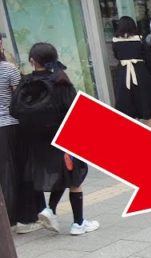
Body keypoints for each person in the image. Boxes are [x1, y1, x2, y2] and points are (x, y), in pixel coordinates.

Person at [12, 43, 98, 235]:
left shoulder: (25, 83)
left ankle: (47, 210)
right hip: (61, 137)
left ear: (32, 61)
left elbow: (14, 110)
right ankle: (78, 223)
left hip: (34, 140)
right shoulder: (60, 81)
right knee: (73, 177)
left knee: (40, 175)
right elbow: (74, 110)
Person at [112, 16, 151, 128]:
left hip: (124, 75)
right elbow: (148, 58)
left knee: (126, 106)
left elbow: (117, 56)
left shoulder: (115, 41)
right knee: (146, 105)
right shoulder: (139, 39)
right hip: (140, 73)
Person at [0, 36, 21, 228]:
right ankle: (12, 217)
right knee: (10, 171)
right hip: (8, 124)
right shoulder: (8, 69)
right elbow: (19, 98)